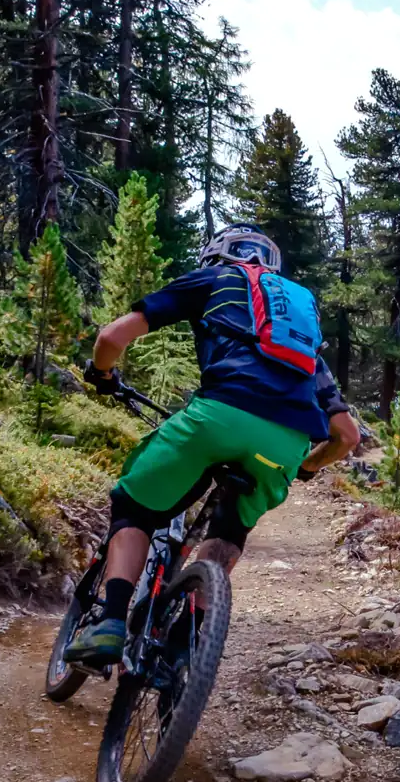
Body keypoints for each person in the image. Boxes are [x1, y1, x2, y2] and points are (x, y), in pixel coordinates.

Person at [67, 224, 361, 665]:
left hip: (219, 417)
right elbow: (347, 436)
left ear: (215, 257)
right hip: (285, 446)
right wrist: (304, 467)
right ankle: (185, 641)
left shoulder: (214, 280)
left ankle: (109, 623)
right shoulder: (300, 338)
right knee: (229, 530)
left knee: (135, 508)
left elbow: (111, 338)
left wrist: (103, 374)